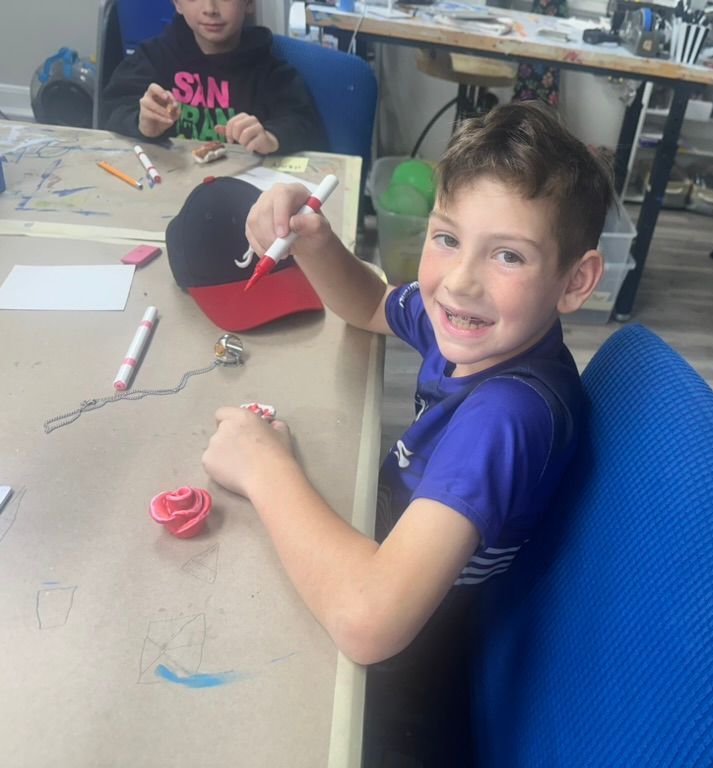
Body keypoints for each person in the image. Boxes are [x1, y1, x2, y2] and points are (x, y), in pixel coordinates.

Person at [201, 102, 613, 764]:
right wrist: (314, 238)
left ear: (576, 281)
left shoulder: (508, 414)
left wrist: (262, 465)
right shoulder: (475, 333)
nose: (458, 281)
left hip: (404, 682)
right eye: (447, 237)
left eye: (508, 255)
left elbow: (369, 623)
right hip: (394, 575)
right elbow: (367, 303)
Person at [101, 0, 324, 155]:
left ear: (248, 3)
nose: (210, 8)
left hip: (239, 196)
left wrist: (271, 138)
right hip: (165, 182)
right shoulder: (154, 58)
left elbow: (302, 123)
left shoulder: (270, 72)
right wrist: (140, 122)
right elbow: (112, 108)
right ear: (177, 3)